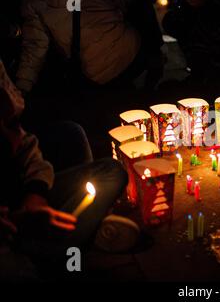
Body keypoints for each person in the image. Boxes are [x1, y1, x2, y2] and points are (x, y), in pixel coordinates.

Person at [0, 58, 128, 280]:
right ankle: (66, 257)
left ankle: (66, 239)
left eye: (10, 124)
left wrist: (36, 192)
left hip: (15, 191)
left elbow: (23, 141)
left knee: (84, 146)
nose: (11, 138)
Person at [15, 0, 164, 95]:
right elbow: (123, 1)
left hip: (92, 75)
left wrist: (23, 85)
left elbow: (35, 47)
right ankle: (155, 62)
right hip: (131, 56)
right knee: (141, 0)